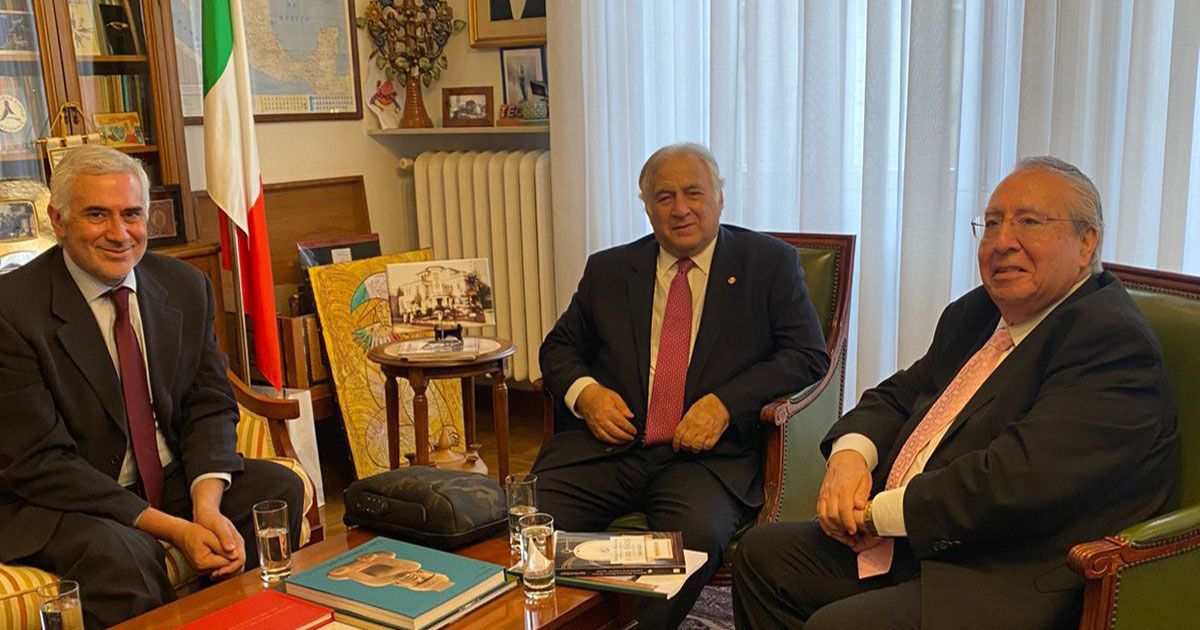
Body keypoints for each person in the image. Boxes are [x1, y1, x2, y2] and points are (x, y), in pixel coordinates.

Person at [732, 156, 1179, 630]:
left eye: (1029, 222)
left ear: (1086, 242)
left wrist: (877, 514)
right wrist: (850, 457)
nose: (1002, 242)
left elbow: (1015, 480)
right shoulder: (979, 312)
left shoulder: (1109, 341)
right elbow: (901, 394)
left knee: (840, 625)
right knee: (762, 558)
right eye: (992, 223)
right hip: (927, 541)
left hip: (1016, 569)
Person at [0, 145, 304, 628]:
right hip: (59, 498)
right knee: (126, 558)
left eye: (131, 214)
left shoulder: (185, 286)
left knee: (275, 490)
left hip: (166, 478)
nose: (119, 233)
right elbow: (40, 463)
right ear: (58, 221)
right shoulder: (13, 311)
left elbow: (209, 404)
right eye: (96, 215)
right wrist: (176, 530)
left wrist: (206, 508)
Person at [535, 142, 831, 628]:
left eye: (694, 193)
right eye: (664, 196)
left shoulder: (767, 264)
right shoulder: (609, 269)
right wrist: (586, 394)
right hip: (607, 450)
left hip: (706, 460)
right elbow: (558, 348)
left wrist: (725, 404)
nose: (680, 209)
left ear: (720, 197)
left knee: (689, 543)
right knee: (530, 527)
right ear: (647, 207)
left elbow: (807, 356)